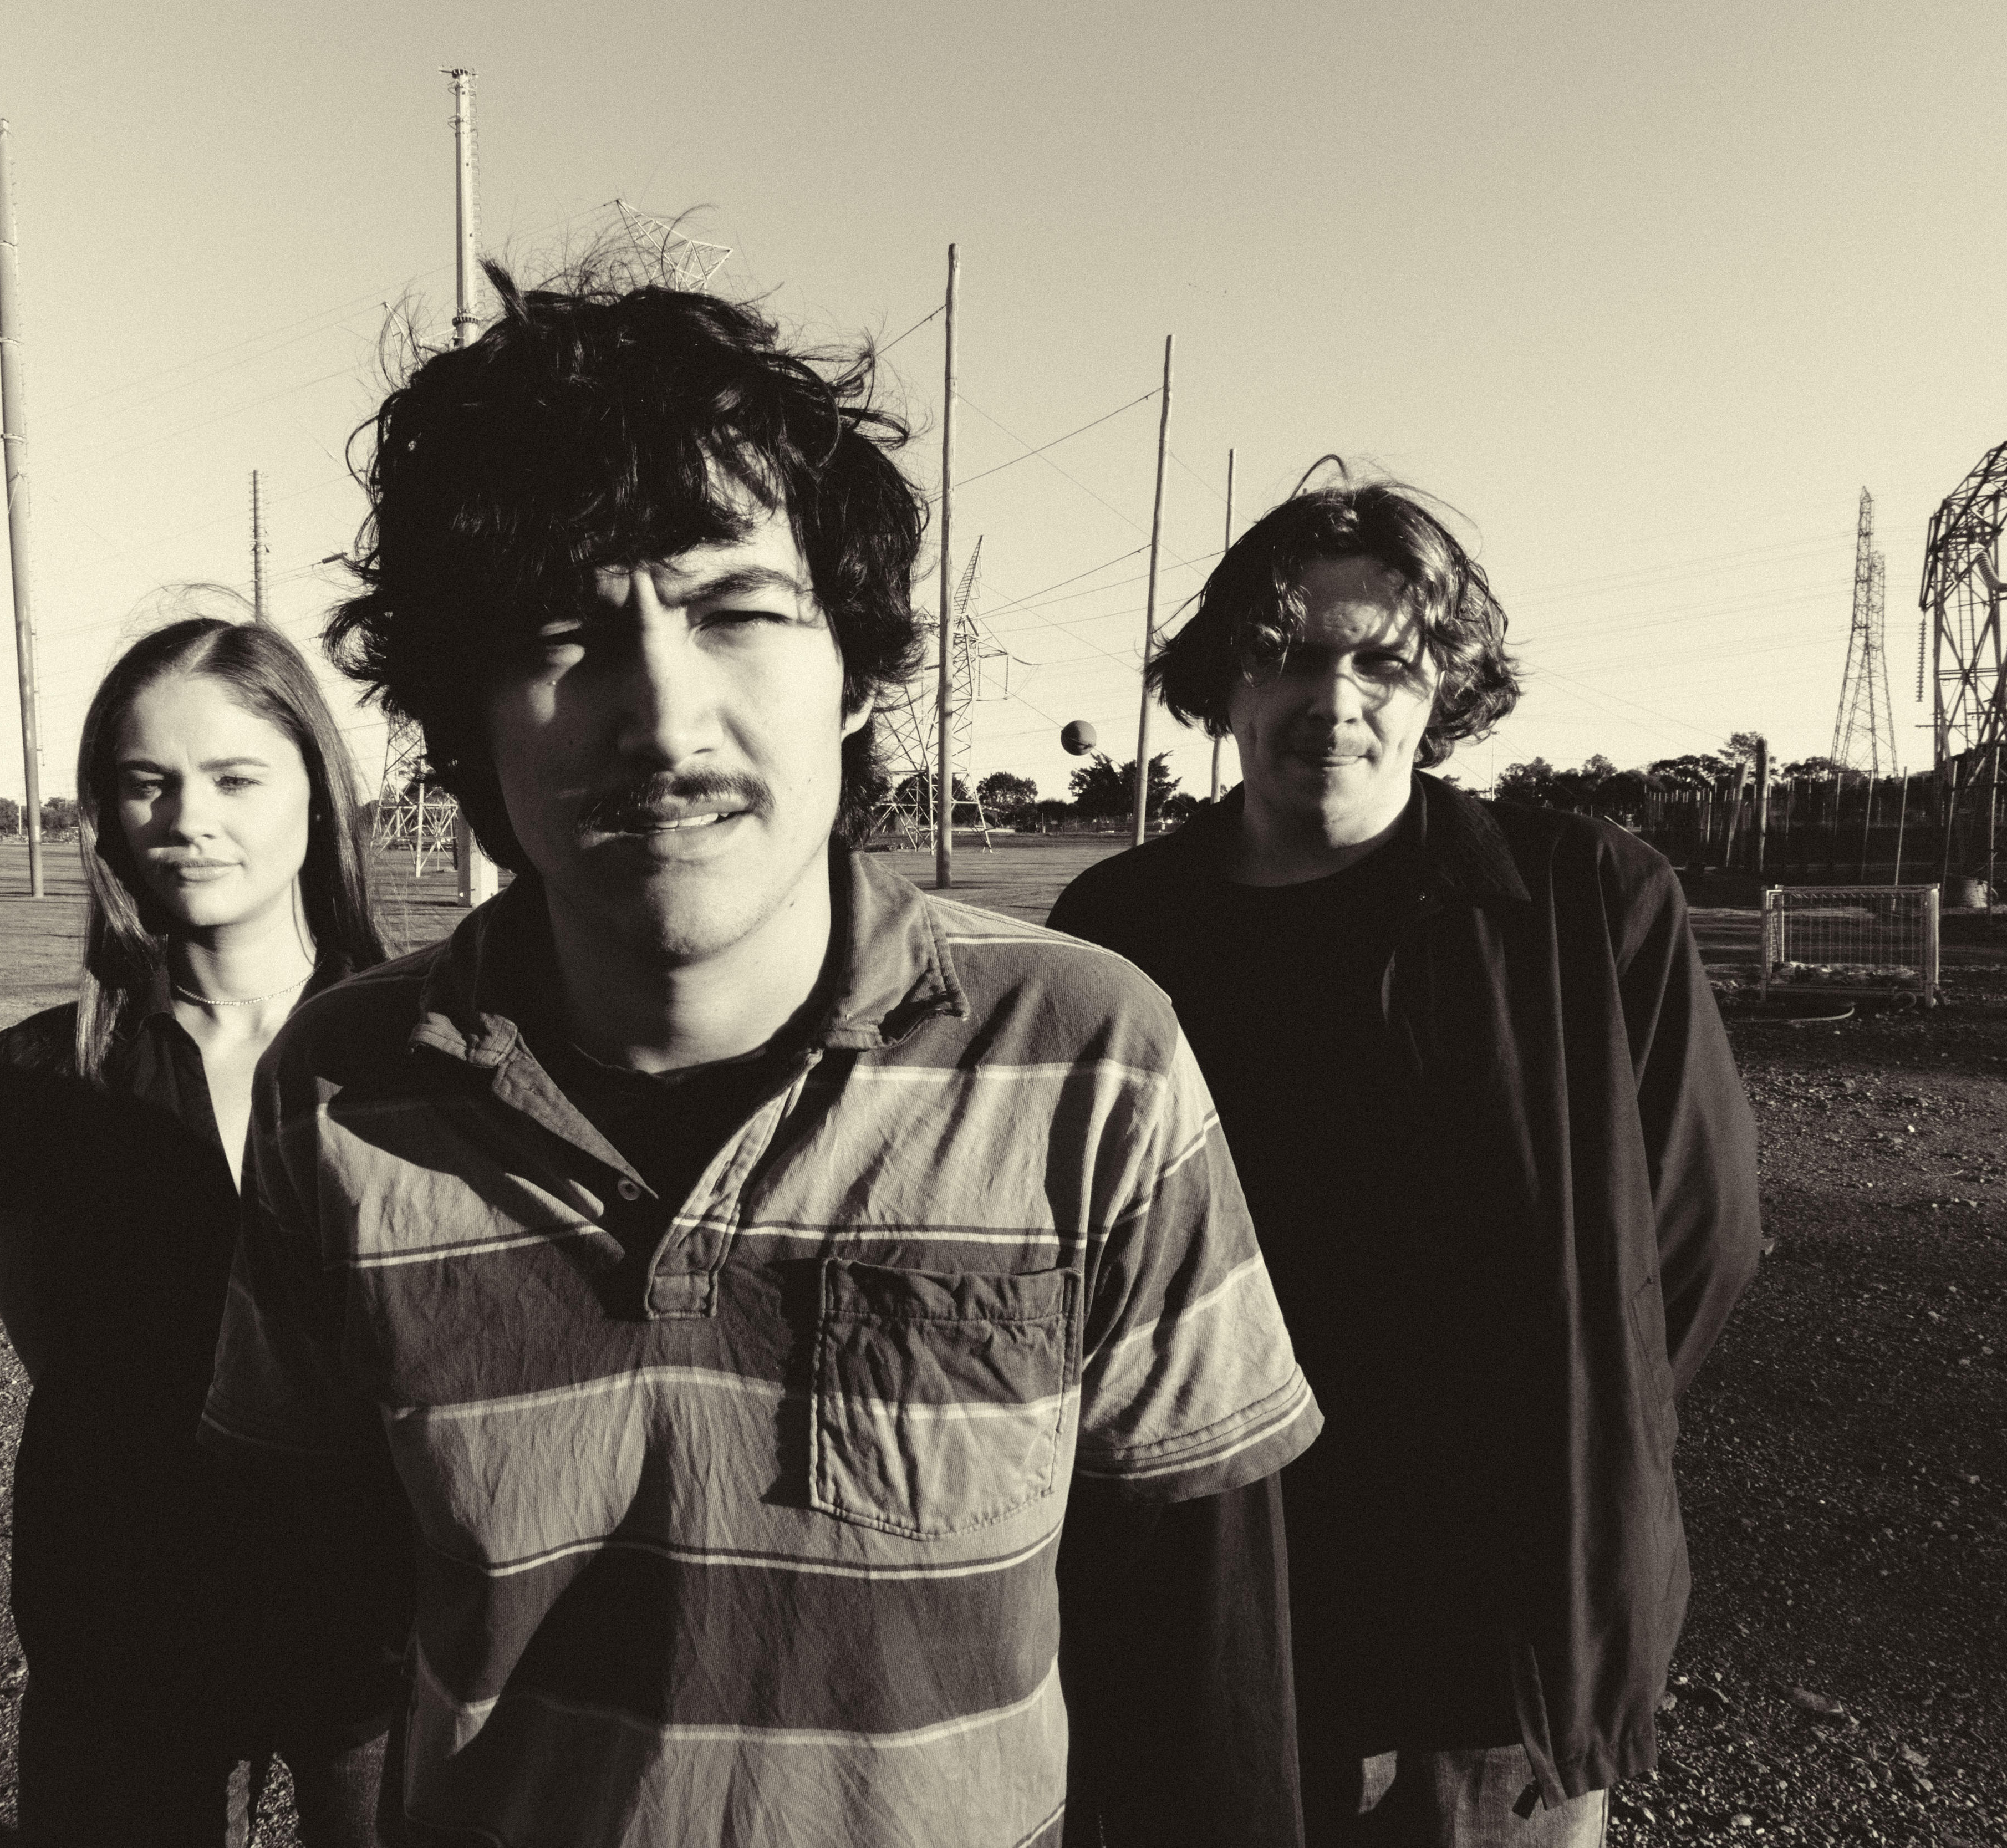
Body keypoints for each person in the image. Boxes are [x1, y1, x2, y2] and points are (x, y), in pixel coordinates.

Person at [198, 268, 1323, 1847]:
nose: (664, 716)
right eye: (562, 629)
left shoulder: (1091, 1057)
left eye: (736, 608)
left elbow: (1202, 1682)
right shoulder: (343, 1084)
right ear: (462, 719)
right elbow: (329, 1624)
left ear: (854, 668)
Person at [1048, 482, 1761, 1846]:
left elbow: (1698, 1233)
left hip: (1483, 1626)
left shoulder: (1580, 901)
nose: (1335, 697)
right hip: (1203, 1596)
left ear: (1447, 685)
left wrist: (1573, 1425)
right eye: (1286, 652)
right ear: (1221, 679)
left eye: (1384, 660)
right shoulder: (1120, 928)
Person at [0, 610, 396, 1846]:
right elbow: (64, 1365)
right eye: (148, 782)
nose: (188, 817)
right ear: (109, 814)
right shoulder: (37, 1081)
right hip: (125, 1620)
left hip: (389, 1616)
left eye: (235, 777)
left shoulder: (435, 1051)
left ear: (319, 791)